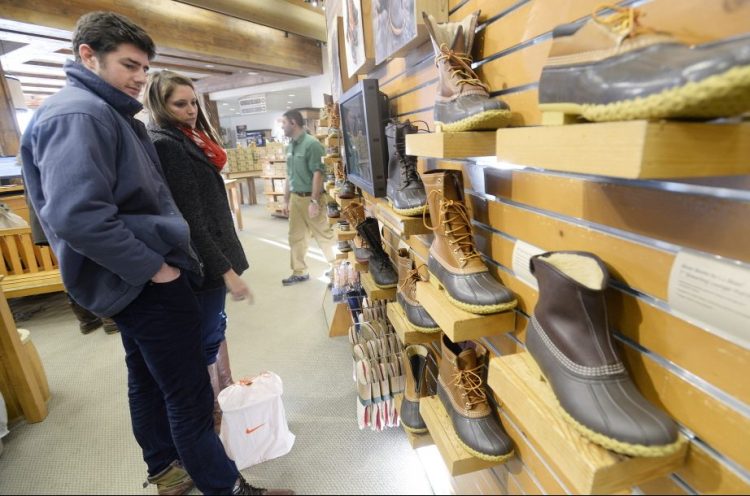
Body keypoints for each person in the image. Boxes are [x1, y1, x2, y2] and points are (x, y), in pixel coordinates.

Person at [20, 11, 289, 495]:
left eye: (145, 67)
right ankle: (225, 488)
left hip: (132, 277)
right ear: (88, 56)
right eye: (129, 65)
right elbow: (76, 216)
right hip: (143, 278)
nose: (140, 78)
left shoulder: (100, 112)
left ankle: (166, 470)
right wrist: (157, 270)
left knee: (146, 378)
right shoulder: (80, 114)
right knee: (187, 393)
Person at [144, 70, 251, 432]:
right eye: (180, 104)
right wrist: (226, 270)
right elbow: (191, 217)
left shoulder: (190, 137)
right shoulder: (167, 144)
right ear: (161, 105)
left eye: (193, 102)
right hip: (203, 261)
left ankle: (219, 398)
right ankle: (210, 412)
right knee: (205, 338)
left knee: (214, 330)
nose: (190, 110)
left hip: (211, 253)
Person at [281, 109, 336, 286]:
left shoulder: (312, 144)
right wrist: (285, 199)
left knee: (323, 235)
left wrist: (314, 201)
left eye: (283, 123)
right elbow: (289, 175)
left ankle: (337, 269)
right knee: (295, 236)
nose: (282, 126)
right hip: (296, 199)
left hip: (311, 198)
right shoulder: (290, 146)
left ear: (293, 123)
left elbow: (318, 174)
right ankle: (299, 271)